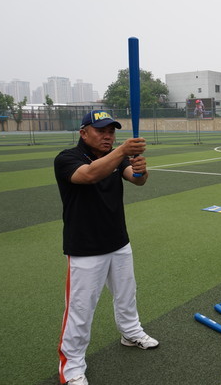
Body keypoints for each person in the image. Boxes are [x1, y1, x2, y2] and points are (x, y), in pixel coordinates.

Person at [55, 110, 158, 385]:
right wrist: (123, 150)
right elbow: (89, 175)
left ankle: (130, 333)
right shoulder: (68, 158)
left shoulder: (117, 157)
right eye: (101, 130)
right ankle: (72, 369)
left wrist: (140, 169)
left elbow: (137, 181)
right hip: (85, 247)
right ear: (83, 132)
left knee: (127, 294)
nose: (108, 136)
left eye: (111, 131)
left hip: (118, 241)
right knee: (80, 308)